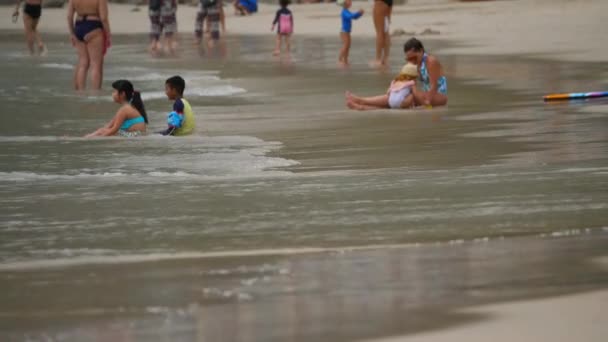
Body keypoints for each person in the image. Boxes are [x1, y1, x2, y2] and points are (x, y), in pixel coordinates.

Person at [67, 0, 111, 91]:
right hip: (94, 27)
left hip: (78, 27)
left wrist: (72, 33)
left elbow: (69, 16)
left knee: (83, 63)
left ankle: (80, 92)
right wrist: (108, 33)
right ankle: (95, 93)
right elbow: (103, 18)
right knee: (95, 64)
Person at [345, 63, 417, 110]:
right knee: (382, 108)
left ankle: (360, 101)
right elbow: (415, 93)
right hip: (402, 103)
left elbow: (388, 92)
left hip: (391, 101)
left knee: (385, 105)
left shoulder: (395, 81)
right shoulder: (412, 82)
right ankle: (361, 106)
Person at [403, 37, 448, 107]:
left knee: (409, 98)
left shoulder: (430, 62)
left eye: (414, 57)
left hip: (438, 95)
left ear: (421, 51)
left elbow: (434, 87)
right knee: (403, 96)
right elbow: (411, 84)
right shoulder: (415, 64)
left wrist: (427, 101)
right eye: (409, 59)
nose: (412, 60)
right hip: (425, 95)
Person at [337, 0, 363, 66]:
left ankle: (345, 60)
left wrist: (360, 14)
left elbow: (354, 17)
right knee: (345, 46)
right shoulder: (344, 12)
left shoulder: (347, 11)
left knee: (348, 46)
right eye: (349, 1)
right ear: (345, 3)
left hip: (347, 32)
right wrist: (358, 12)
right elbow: (350, 16)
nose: (351, 2)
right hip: (344, 32)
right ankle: (340, 60)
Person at [371, 0, 391, 68]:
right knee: (386, 31)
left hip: (380, 2)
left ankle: (378, 59)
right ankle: (386, 58)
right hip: (388, 2)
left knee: (379, 31)